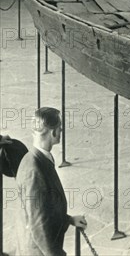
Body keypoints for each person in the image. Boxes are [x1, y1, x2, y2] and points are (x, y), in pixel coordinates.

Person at [16, 107, 87, 256]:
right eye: (60, 128)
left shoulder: (34, 158)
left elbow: (44, 209)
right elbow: (38, 225)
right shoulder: (35, 170)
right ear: (53, 132)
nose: (61, 132)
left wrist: (69, 220)